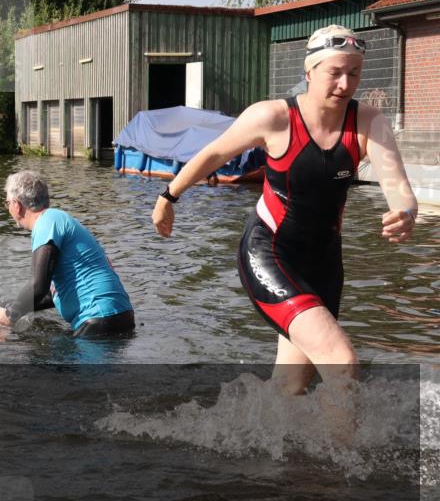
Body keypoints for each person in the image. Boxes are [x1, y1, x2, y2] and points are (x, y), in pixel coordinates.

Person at [151, 25, 417, 395]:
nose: (345, 84)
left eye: (353, 73)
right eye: (334, 73)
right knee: (344, 365)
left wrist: (405, 212)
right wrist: (169, 198)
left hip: (324, 264)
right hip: (270, 253)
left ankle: (253, 442)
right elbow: (213, 154)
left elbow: (397, 184)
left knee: (292, 386)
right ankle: (342, 455)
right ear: (309, 72)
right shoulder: (273, 117)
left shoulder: (368, 122)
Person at [0, 171, 135, 338]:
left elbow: (38, 286)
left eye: (7, 203)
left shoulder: (46, 223)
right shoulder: (57, 219)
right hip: (120, 317)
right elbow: (53, 294)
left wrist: (9, 316)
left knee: (34, 353)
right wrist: (3, 305)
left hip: (99, 318)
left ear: (16, 204)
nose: (8, 208)